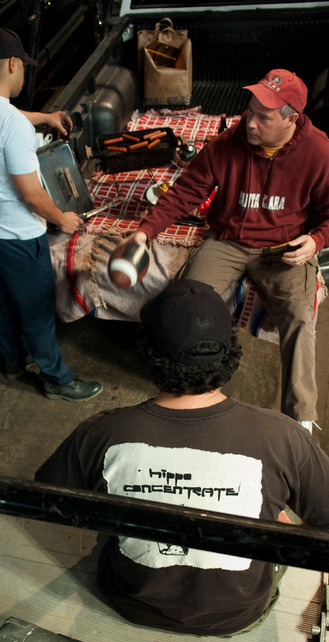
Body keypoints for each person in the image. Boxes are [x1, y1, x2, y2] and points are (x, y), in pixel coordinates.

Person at [35, 280, 329, 636]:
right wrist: (286, 533)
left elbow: (47, 502)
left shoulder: (100, 435)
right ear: (229, 352)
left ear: (149, 353)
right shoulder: (285, 438)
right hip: (238, 614)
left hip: (131, 600)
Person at [111, 69, 329, 432]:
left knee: (299, 317)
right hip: (227, 239)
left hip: (282, 248)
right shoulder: (228, 143)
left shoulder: (319, 151)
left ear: (292, 119)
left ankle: (300, 420)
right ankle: (187, 394)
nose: (251, 123)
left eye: (264, 117)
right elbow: (184, 192)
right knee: (187, 301)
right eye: (249, 111)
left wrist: (316, 241)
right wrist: (144, 233)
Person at [0, 26, 102, 402]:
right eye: (23, 66)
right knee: (38, 313)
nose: (23, 73)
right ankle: (57, 378)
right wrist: (62, 219)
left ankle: (11, 361)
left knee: (2, 301)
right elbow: (32, 195)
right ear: (11, 64)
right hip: (23, 239)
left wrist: (45, 117)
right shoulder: (13, 126)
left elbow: (0, 111)